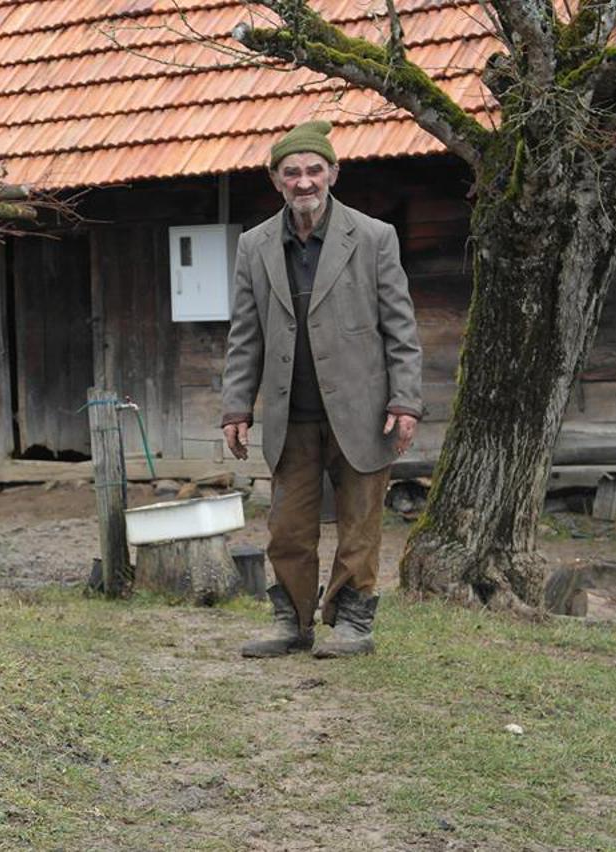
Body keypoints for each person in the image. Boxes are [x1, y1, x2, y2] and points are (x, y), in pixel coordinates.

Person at [220, 120, 422, 658]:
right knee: (287, 528)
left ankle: (353, 624)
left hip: (363, 411)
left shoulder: (374, 237)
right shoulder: (255, 246)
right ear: (276, 180)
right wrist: (236, 407)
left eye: (314, 170)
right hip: (292, 415)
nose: (304, 181)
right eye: (292, 173)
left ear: (333, 172)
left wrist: (405, 401)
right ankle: (292, 622)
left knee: (360, 525)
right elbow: (245, 334)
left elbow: (400, 328)